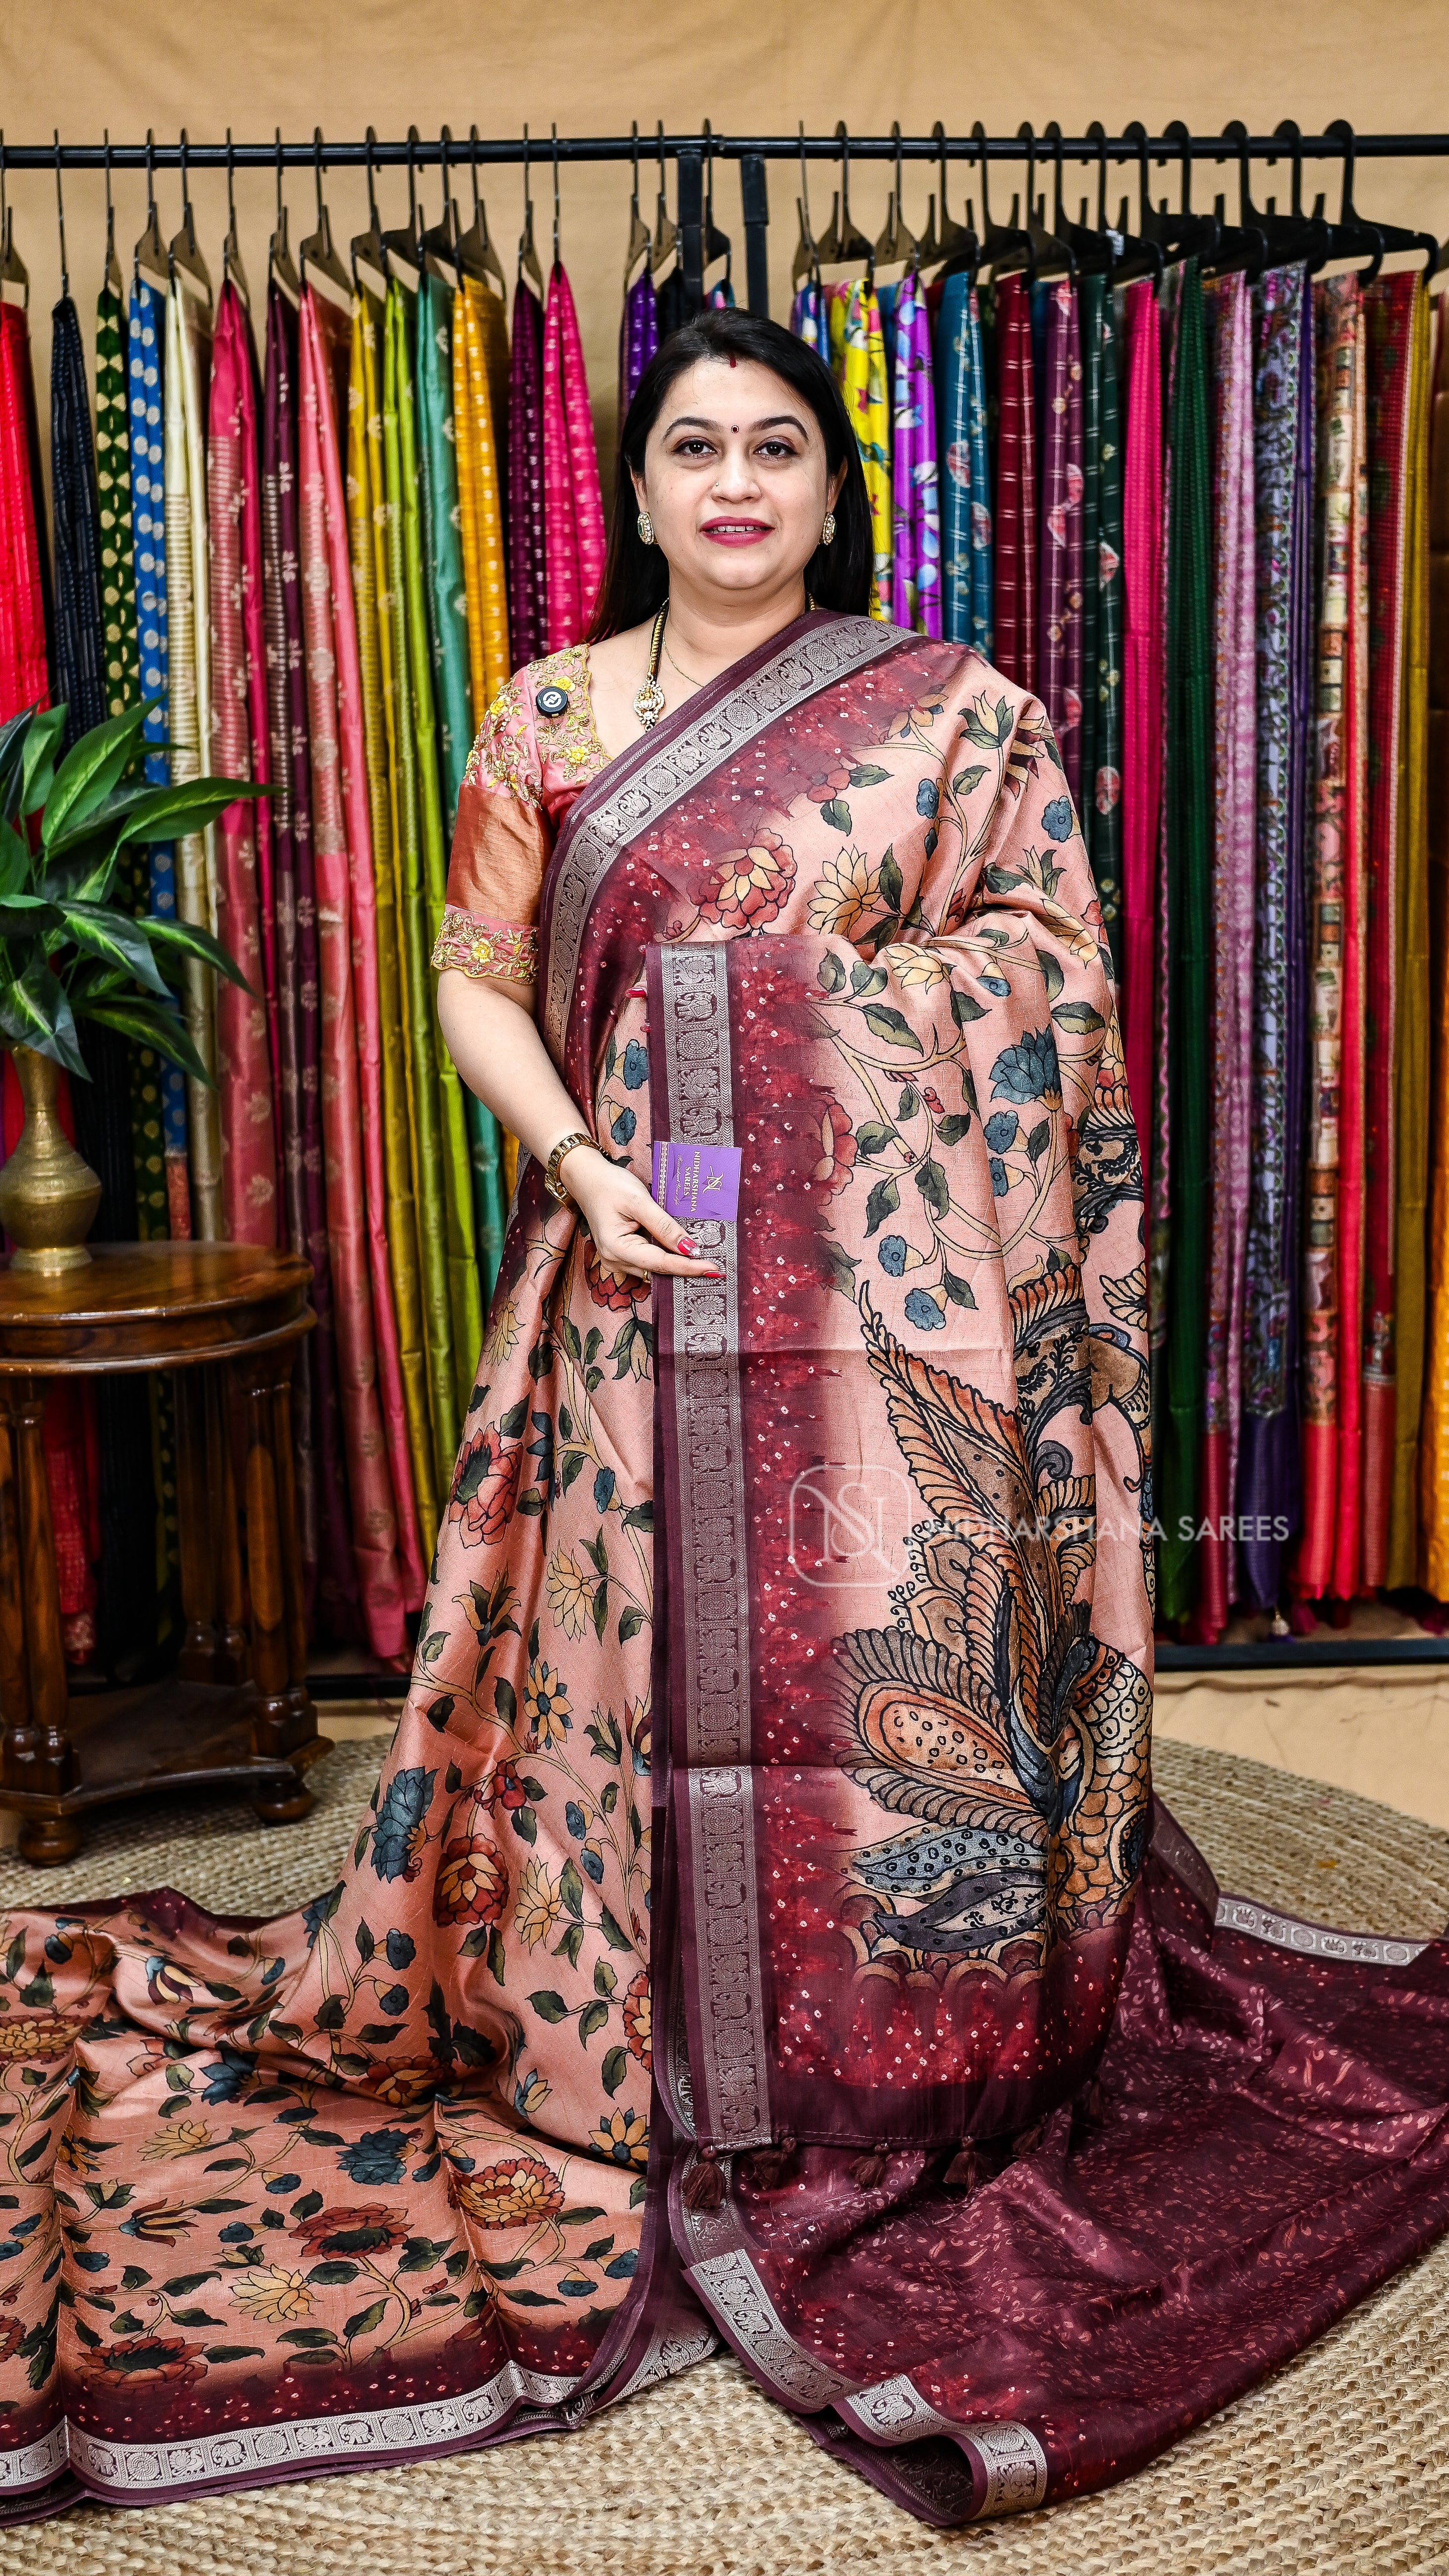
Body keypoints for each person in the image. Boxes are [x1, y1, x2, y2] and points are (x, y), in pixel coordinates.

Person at [6, 311, 1447, 2531]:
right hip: (638, 1263)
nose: (739, 484)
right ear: (641, 483)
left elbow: (1051, 977)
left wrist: (768, 1009)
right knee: (618, 1661)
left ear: (833, 485)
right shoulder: (554, 717)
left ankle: (881, 2041)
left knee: (856, 1669)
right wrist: (587, 1159)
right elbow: (476, 974)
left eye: (779, 447)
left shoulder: (952, 715)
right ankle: (634, 2034)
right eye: (696, 448)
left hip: (888, 1314)